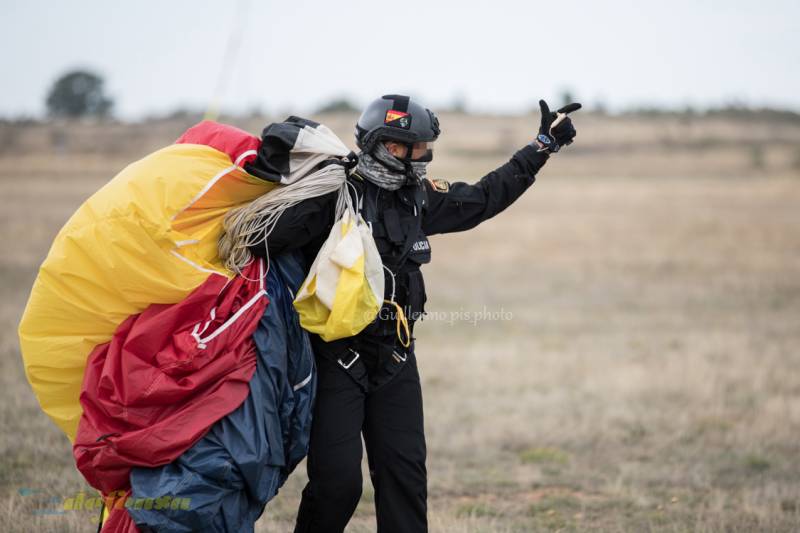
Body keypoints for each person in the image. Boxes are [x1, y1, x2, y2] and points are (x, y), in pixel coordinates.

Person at [247, 94, 580, 533]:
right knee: (338, 484)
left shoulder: (419, 198)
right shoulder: (331, 194)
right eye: (410, 148)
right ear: (384, 145)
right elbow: (259, 241)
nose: (419, 157)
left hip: (396, 361)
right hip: (336, 360)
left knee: (405, 483)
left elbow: (482, 198)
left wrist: (539, 148)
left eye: (424, 148)